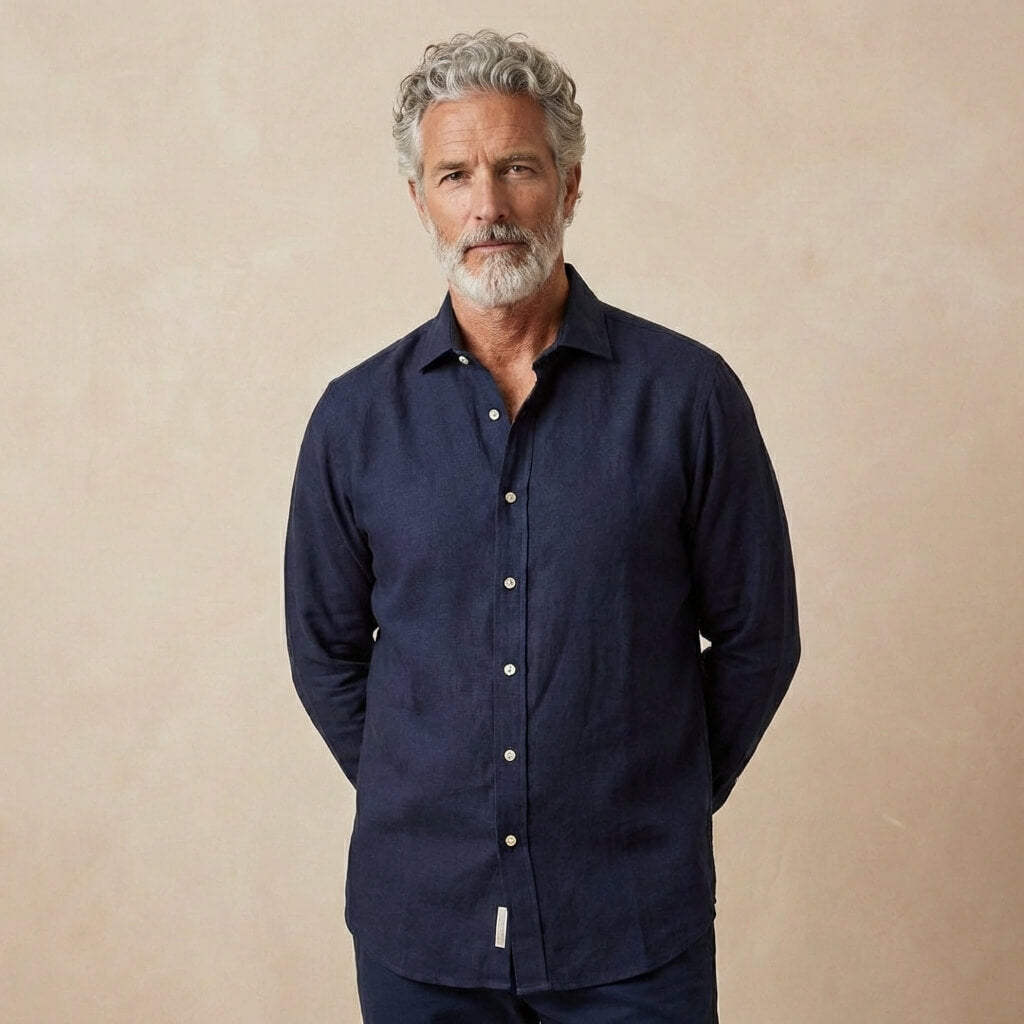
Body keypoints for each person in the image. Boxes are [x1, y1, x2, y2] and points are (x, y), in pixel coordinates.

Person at [285, 30, 800, 1023]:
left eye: (517, 167)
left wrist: (663, 788)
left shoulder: (688, 397)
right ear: (419, 201)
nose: (486, 205)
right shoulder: (353, 420)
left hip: (634, 926)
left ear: (566, 187)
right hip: (420, 927)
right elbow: (325, 653)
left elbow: (757, 636)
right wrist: (426, 787)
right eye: (454, 175)